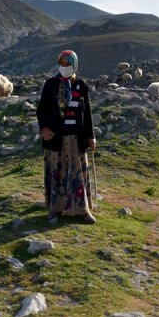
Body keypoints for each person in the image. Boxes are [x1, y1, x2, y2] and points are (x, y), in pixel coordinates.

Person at [36, 49, 97, 224]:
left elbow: (87, 114)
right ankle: (55, 209)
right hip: (55, 138)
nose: (64, 67)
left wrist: (90, 136)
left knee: (77, 172)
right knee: (57, 173)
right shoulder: (50, 84)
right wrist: (44, 129)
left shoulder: (81, 86)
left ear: (75, 65)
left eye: (68, 64)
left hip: (76, 139)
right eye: (61, 63)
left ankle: (81, 209)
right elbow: (41, 110)